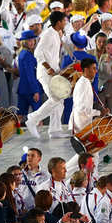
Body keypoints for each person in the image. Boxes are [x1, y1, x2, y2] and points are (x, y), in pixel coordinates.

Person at [25, 11, 69, 139]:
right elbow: (38, 53)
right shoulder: (48, 34)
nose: (66, 23)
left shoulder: (55, 33)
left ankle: (55, 130)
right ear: (59, 22)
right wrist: (48, 67)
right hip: (45, 73)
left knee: (59, 101)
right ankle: (32, 119)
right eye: (64, 21)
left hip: (53, 73)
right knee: (56, 99)